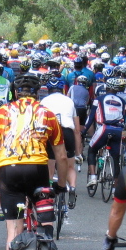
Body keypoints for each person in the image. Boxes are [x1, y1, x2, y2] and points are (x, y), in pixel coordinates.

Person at [0, 73, 68, 250]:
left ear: (15, 92)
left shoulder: (4, 112)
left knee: (13, 231)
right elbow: (61, 155)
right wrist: (61, 185)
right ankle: (46, 243)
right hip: (37, 171)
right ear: (38, 93)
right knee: (44, 214)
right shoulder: (48, 114)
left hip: (10, 172)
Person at [40, 78, 81, 209]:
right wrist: (78, 152)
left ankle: (49, 193)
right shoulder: (69, 101)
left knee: (50, 164)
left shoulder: (44, 101)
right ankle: (72, 187)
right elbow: (77, 129)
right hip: (67, 130)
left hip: (51, 131)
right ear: (62, 89)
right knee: (69, 166)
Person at [85, 77, 126, 186]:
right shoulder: (122, 101)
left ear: (106, 87)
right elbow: (123, 116)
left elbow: (91, 118)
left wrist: (83, 132)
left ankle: (93, 177)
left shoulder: (98, 99)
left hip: (104, 128)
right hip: (118, 130)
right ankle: (115, 188)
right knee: (116, 159)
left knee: (92, 150)